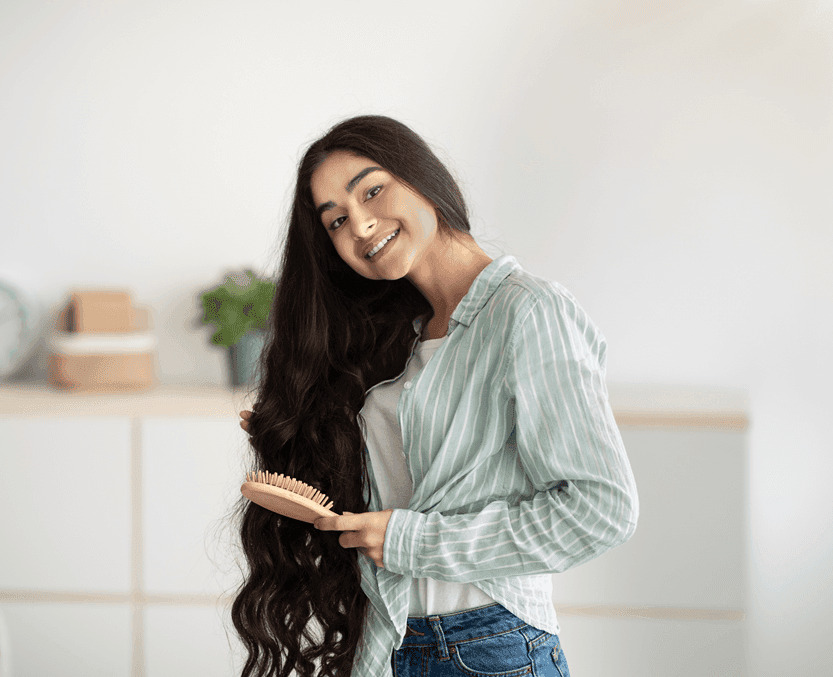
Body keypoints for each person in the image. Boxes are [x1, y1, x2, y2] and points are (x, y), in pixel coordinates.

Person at [230, 115, 638, 677]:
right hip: (391, 644)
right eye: (337, 221)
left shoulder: (528, 312)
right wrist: (305, 444)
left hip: (491, 647)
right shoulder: (400, 338)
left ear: (424, 176)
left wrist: (411, 541)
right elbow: (399, 496)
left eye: (372, 190)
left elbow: (601, 510)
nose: (362, 225)